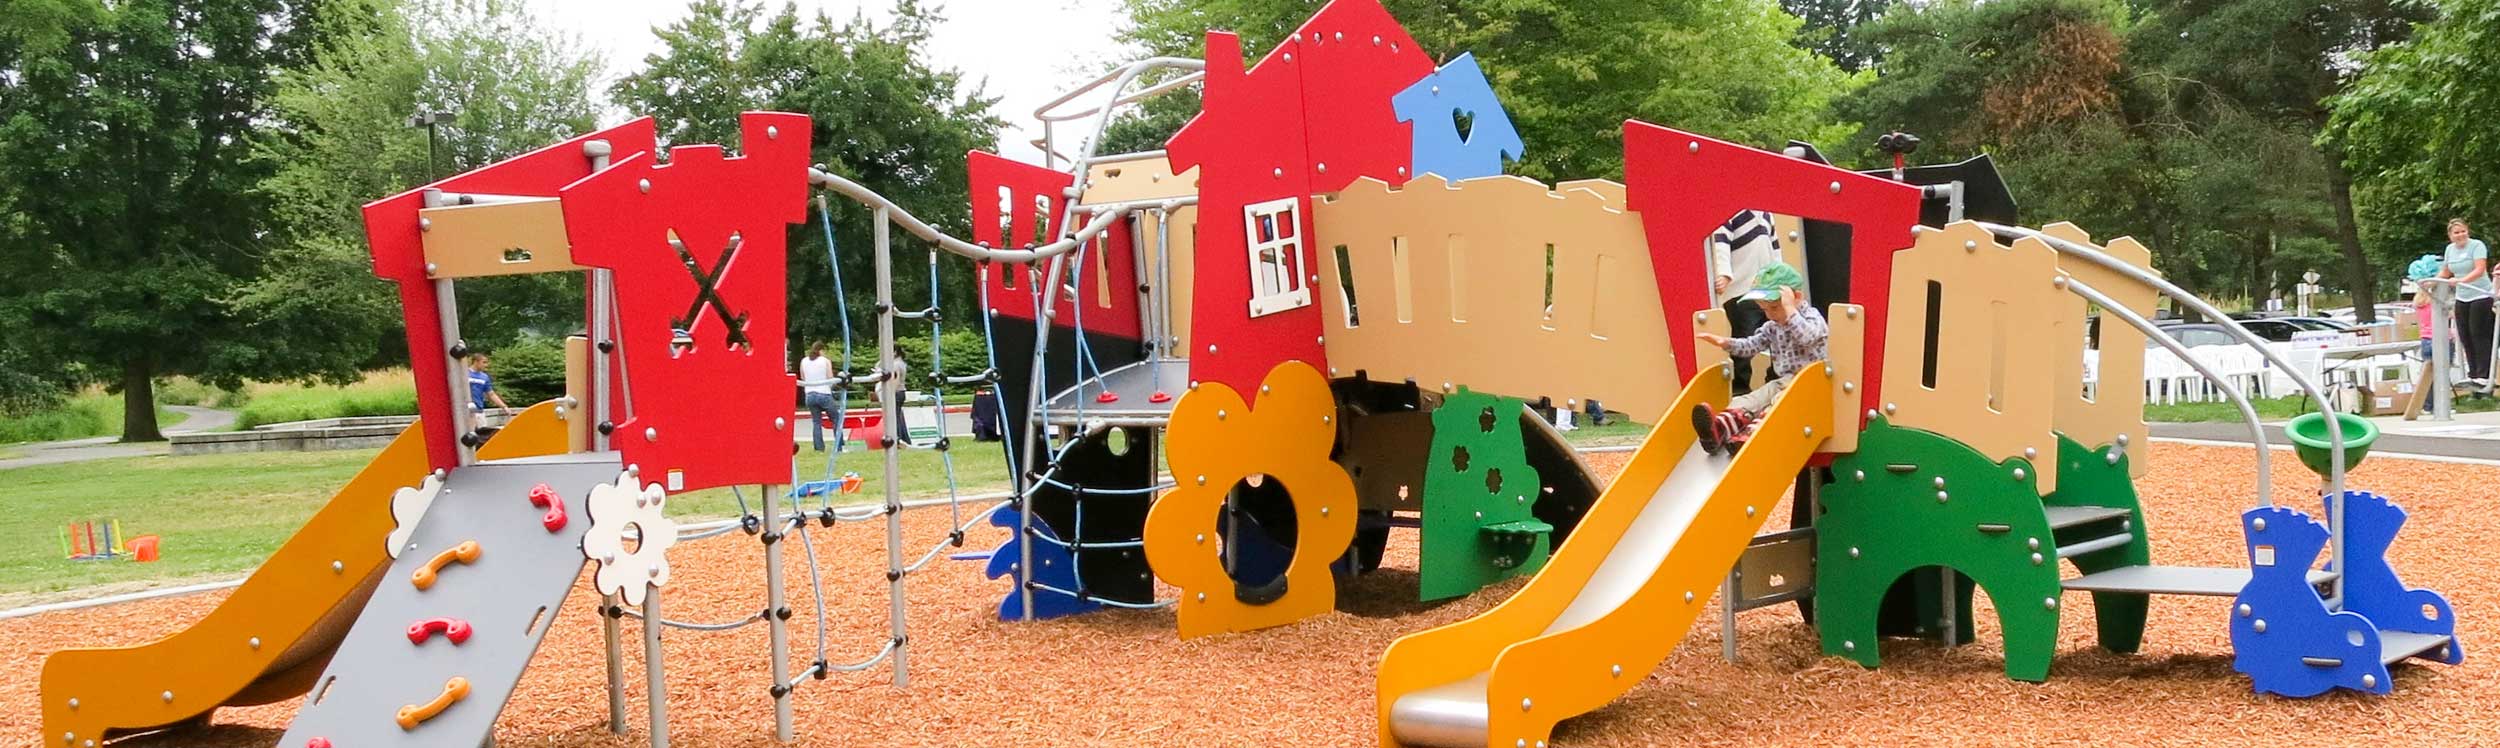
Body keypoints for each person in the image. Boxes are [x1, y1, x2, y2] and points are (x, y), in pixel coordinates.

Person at [1690, 261, 1825, 455]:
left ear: (1796, 297)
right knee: (1750, 399)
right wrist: (1725, 342)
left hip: (1809, 385)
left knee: (1780, 400)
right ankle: (1718, 430)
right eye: (1764, 310)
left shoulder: (1811, 317)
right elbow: (1751, 345)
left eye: (1775, 307)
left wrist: (1790, 310)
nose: (1770, 315)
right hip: (1784, 382)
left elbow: (1807, 338)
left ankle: (1755, 434)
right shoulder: (1773, 326)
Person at [1710, 211, 1781, 392]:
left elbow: (1775, 249)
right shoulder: (1733, 210)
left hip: (1765, 289)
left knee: (1778, 333)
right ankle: (1740, 386)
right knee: (1744, 335)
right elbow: (1720, 241)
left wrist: (1781, 278)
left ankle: (1776, 377)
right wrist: (1724, 273)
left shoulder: (1766, 214)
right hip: (1741, 289)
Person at [2438, 218, 2492, 386]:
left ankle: (2484, 374)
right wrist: (2432, 282)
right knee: (2465, 335)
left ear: (2468, 231)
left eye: (2463, 231)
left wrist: (2462, 281)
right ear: (2450, 235)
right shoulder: (2450, 250)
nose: (2460, 235)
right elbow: (2446, 271)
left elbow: (2479, 269)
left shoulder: (2477, 246)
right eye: (2456, 232)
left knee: (2478, 334)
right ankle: (2473, 373)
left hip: (2480, 294)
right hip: (2462, 296)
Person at [799, 342, 838, 451]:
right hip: (824, 393)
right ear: (821, 350)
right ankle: (839, 445)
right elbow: (830, 377)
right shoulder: (825, 361)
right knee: (836, 419)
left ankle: (819, 447)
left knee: (816, 422)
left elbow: (803, 377)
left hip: (810, 394)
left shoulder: (804, 361)